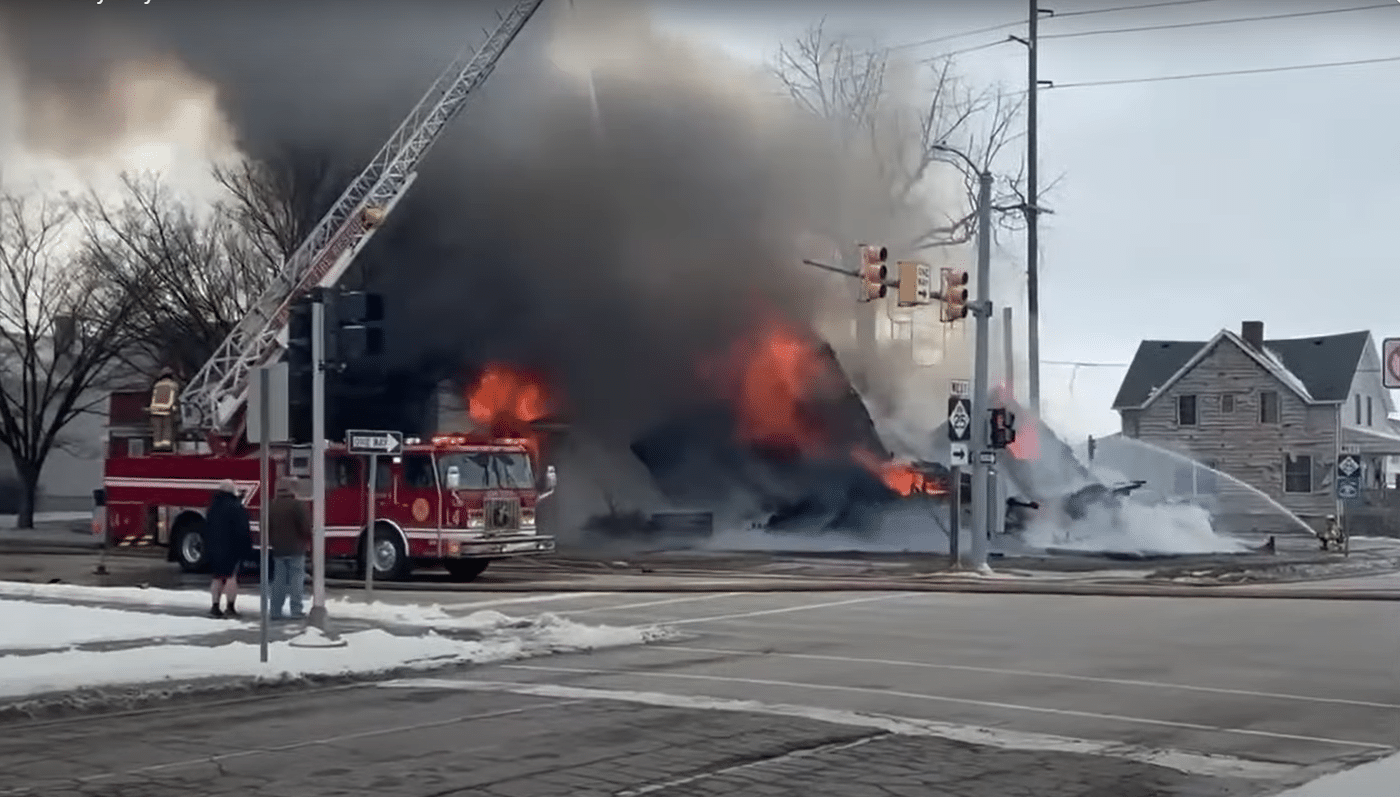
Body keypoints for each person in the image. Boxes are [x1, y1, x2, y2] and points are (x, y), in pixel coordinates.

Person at [204, 479, 253, 618]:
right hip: (231, 548)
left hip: (214, 548)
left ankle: (215, 606)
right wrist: (246, 548)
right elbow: (243, 530)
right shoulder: (236, 507)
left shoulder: (212, 506)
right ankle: (230, 607)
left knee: (217, 577)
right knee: (231, 577)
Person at [266, 479, 311, 620]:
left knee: (279, 580)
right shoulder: (297, 505)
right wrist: (307, 540)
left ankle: (275, 610)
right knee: (296, 579)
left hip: (278, 549)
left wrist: (272, 541)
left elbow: (266, 527)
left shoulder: (271, 506)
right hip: (296, 548)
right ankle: (296, 610)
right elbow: (304, 526)